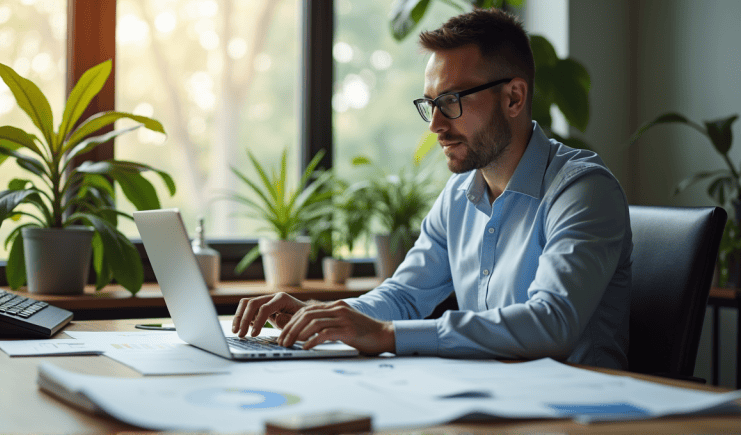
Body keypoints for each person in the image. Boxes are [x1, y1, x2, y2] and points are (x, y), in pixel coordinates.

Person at [232, 8, 632, 369]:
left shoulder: (582, 191)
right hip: (492, 403)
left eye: (452, 100)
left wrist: (388, 336)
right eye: (430, 103)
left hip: (582, 414)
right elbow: (405, 297)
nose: (435, 125)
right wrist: (323, 314)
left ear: (513, 97)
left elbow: (552, 322)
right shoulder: (458, 197)